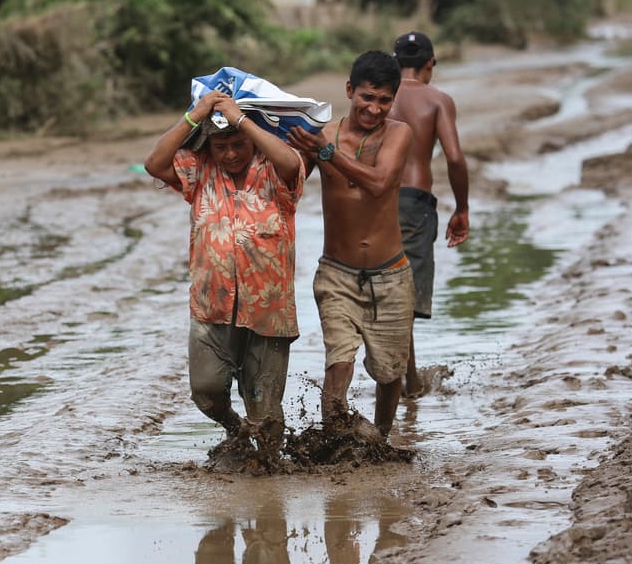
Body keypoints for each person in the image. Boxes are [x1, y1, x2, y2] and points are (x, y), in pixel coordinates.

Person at [144, 90, 305, 456]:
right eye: (221, 147)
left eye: (238, 144)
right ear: (209, 148)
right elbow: (154, 164)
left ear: (252, 140)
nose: (230, 154)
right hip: (211, 308)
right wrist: (194, 115)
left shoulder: (274, 172)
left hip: (267, 312)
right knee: (206, 391)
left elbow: (292, 163)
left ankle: (266, 476)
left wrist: (240, 119)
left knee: (265, 410)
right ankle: (235, 429)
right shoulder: (199, 171)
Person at [287, 50, 414, 439]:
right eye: (367, 97)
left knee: (390, 372)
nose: (374, 109)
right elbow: (290, 181)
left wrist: (327, 154)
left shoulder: (399, 133)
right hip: (337, 275)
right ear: (349, 90)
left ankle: (381, 439)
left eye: (384, 100)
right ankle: (334, 442)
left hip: (390, 276)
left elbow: (378, 184)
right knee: (338, 362)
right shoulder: (323, 134)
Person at [389, 31, 469, 398]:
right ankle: (406, 383)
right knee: (404, 296)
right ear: (430, 63)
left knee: (381, 284)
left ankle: (406, 378)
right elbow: (453, 157)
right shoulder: (437, 100)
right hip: (414, 203)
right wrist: (462, 208)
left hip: (377, 198)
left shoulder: (376, 97)